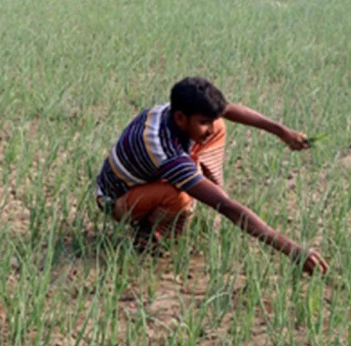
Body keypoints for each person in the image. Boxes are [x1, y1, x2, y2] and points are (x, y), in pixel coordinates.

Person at [95, 77, 328, 275]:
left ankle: (203, 185)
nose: (207, 127)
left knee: (219, 127)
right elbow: (226, 206)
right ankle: (149, 237)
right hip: (118, 200)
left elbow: (228, 110)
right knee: (180, 198)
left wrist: (281, 131)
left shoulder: (177, 111)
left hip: (149, 177)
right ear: (180, 118)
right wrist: (293, 251)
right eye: (202, 122)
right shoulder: (163, 149)